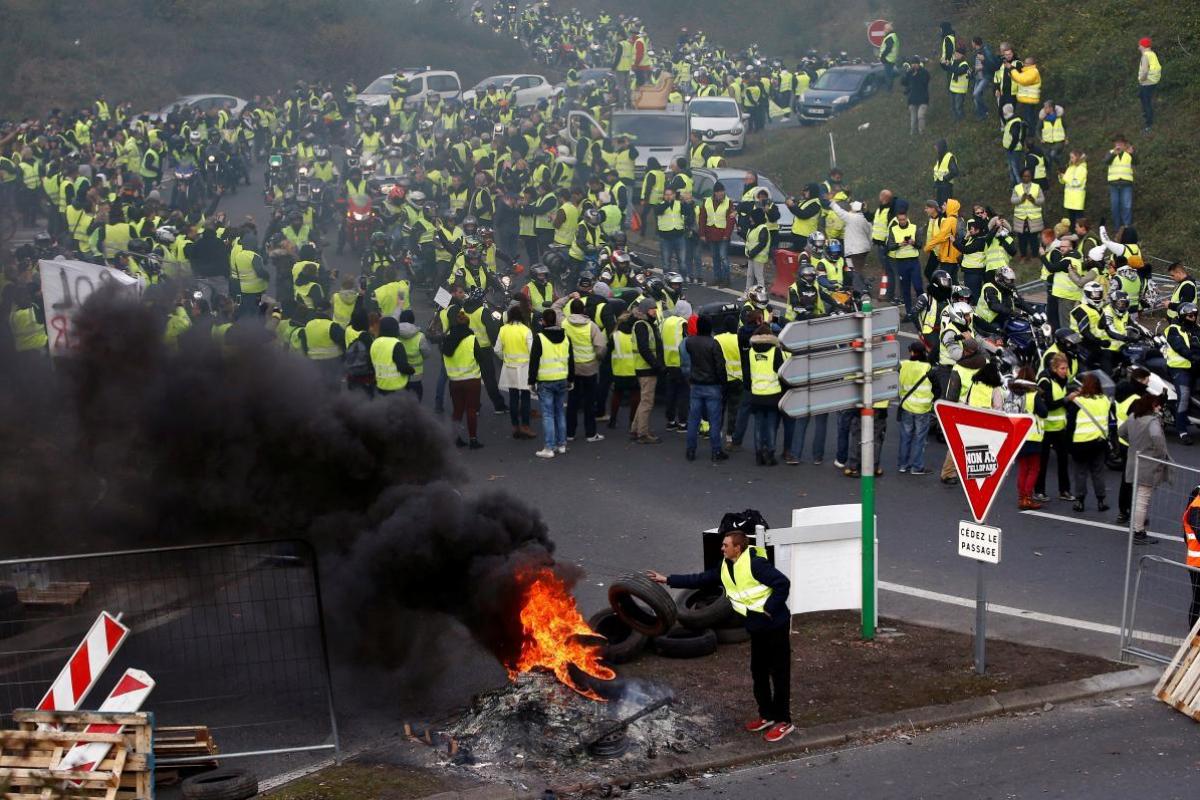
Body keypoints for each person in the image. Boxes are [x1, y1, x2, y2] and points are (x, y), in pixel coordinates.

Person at [646, 530, 793, 742]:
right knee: (758, 672)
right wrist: (667, 579)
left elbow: (782, 584)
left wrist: (770, 608)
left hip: (774, 625)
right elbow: (701, 579)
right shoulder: (725, 566)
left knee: (779, 673)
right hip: (756, 626)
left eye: (726, 545)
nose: (722, 548)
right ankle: (767, 716)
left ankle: (784, 721)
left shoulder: (756, 564)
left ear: (737, 548)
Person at [529, 308, 575, 458]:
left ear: (543, 321)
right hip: (562, 379)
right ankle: (562, 444)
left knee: (548, 415)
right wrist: (571, 378)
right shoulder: (566, 337)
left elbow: (534, 362)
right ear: (555, 320)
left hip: (545, 381)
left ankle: (549, 447)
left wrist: (531, 381)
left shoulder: (540, 338)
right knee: (560, 412)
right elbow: (571, 360)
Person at [561, 297, 608, 443]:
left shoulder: (564, 324)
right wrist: (598, 359)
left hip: (572, 368)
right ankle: (590, 433)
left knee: (573, 402)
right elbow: (600, 347)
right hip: (590, 368)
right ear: (583, 310)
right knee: (589, 402)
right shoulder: (591, 326)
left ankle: (569, 433)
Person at [684, 314, 729, 463]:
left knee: (694, 419)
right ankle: (716, 451)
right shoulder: (713, 343)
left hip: (696, 384)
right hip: (712, 385)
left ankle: (690, 450)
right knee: (714, 421)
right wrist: (723, 383)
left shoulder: (690, 342)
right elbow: (720, 366)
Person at [441, 307, 486, 449]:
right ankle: (473, 439)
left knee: (457, 410)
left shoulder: (447, 340)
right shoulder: (471, 339)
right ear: (467, 325)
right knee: (471, 409)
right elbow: (481, 358)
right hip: (471, 380)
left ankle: (455, 438)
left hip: (454, 381)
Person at [1035, 353, 1076, 502]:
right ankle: (1039, 491)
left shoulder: (1063, 380)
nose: (1065, 371)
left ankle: (1064, 490)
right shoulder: (1045, 381)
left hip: (1060, 427)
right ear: (1054, 368)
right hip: (1046, 428)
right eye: (1062, 368)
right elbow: (1049, 405)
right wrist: (1066, 400)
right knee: (1042, 461)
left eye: (1066, 368)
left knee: (1063, 460)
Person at [742, 324, 784, 466]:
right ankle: (770, 454)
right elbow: (782, 373)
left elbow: (747, 375)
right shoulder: (775, 352)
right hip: (773, 394)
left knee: (758, 425)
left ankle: (759, 454)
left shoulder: (751, 352)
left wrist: (750, 387)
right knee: (771, 426)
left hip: (756, 394)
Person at [1070, 373, 1112, 512]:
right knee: (1098, 472)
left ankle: (1080, 501)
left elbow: (1070, 421)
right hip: (1099, 442)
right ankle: (1101, 501)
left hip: (1081, 442)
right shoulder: (1105, 400)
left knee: (1081, 472)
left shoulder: (1079, 401)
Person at [1010, 367, 1048, 509]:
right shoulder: (1033, 395)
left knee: (1023, 468)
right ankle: (1027, 498)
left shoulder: (1012, 394)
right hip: (1032, 436)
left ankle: (1021, 497)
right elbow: (1043, 413)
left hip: (1017, 435)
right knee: (1033, 468)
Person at [495, 306, 535, 440]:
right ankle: (525, 426)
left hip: (510, 367)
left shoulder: (503, 329)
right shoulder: (526, 330)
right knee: (525, 398)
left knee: (513, 398)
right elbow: (532, 350)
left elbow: (497, 350)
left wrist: (504, 358)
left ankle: (515, 426)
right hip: (524, 368)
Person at [1163, 302, 1200, 445]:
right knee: (1184, 395)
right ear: (1183, 315)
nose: (1193, 317)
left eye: (1195, 315)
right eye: (1190, 315)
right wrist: (1194, 357)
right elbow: (1180, 348)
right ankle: (1182, 430)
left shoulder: (1197, 329)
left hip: (1196, 366)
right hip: (1180, 368)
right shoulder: (1173, 329)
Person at [897, 342, 935, 475]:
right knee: (919, 439)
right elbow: (937, 388)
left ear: (912, 352)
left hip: (906, 406)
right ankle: (917, 467)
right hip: (923, 408)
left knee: (905, 436)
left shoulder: (903, 365)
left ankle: (903, 465)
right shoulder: (928, 368)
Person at [631, 299, 664, 444]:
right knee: (647, 402)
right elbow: (644, 349)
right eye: (652, 309)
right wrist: (656, 365)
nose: (655, 311)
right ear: (645, 310)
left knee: (644, 401)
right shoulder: (642, 325)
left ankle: (635, 429)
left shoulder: (646, 324)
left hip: (645, 367)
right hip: (646, 369)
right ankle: (643, 433)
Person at [885, 200, 922, 313]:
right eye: (900, 220)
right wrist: (899, 244)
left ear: (907, 218)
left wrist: (913, 242)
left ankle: (924, 308)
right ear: (897, 220)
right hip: (901, 263)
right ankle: (909, 312)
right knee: (905, 289)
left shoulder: (914, 228)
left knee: (918, 287)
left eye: (904, 219)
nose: (902, 222)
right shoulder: (893, 229)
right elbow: (890, 246)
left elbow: (920, 245)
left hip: (914, 262)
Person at [699, 182, 735, 287]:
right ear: (714, 192)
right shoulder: (707, 201)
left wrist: (727, 235)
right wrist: (702, 233)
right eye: (718, 192)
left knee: (723, 257)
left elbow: (730, 221)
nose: (720, 194)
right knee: (715, 258)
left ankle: (726, 279)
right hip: (711, 234)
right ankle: (717, 278)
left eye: (722, 191)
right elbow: (702, 218)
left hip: (723, 235)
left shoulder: (729, 203)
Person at [369, 316, 415, 396]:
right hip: (397, 387)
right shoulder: (396, 343)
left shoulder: (375, 343)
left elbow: (371, 363)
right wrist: (411, 370)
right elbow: (403, 367)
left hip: (380, 385)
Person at [1105, 136, 1136, 229]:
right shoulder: (1111, 152)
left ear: (1125, 144)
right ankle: (1117, 229)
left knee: (1127, 206)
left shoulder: (1129, 153)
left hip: (1126, 183)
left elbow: (1137, 161)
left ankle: (1126, 227)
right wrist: (1114, 154)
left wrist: (1132, 154)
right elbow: (1106, 161)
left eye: (1121, 143)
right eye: (1117, 143)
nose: (1118, 145)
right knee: (1115, 207)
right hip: (1113, 184)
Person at [1183, 486, 1200, 627]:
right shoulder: (1197, 506)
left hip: (1196, 559)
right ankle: (1195, 636)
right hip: (1197, 562)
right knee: (1198, 600)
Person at [1137, 37, 1162, 131]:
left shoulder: (1145, 56)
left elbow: (1144, 71)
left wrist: (1141, 80)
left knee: (1146, 103)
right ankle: (1146, 116)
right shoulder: (1152, 54)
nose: (1138, 47)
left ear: (1143, 46)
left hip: (1147, 82)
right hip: (1154, 81)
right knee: (1141, 96)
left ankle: (1149, 125)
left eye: (1139, 45)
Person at [901, 56, 930, 135]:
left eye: (916, 64)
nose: (914, 65)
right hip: (912, 99)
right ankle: (912, 133)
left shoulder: (924, 72)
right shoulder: (909, 73)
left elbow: (925, 81)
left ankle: (922, 133)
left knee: (920, 116)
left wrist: (916, 75)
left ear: (919, 64)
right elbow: (903, 82)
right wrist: (905, 73)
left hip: (923, 98)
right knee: (913, 119)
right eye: (913, 64)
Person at [1059, 150, 1087, 226]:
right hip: (1069, 199)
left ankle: (1080, 235)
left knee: (1079, 220)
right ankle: (1073, 232)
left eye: (1072, 157)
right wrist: (1060, 176)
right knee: (1071, 219)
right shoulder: (1070, 167)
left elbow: (1076, 183)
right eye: (1070, 157)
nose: (1071, 159)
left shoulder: (1082, 168)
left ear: (1078, 158)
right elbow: (1064, 182)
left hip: (1077, 199)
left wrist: (1064, 177)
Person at [932, 139, 958, 206]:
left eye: (936, 146)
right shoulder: (940, 158)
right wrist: (937, 182)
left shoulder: (949, 157)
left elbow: (955, 171)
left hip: (946, 187)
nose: (935, 148)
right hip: (940, 187)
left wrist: (944, 179)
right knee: (940, 208)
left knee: (945, 207)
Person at [879, 22, 899, 91]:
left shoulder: (890, 37)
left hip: (888, 59)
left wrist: (883, 56)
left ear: (888, 29)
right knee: (889, 74)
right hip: (891, 58)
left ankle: (888, 90)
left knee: (888, 75)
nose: (884, 30)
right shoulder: (893, 36)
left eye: (885, 29)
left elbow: (888, 48)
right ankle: (889, 88)